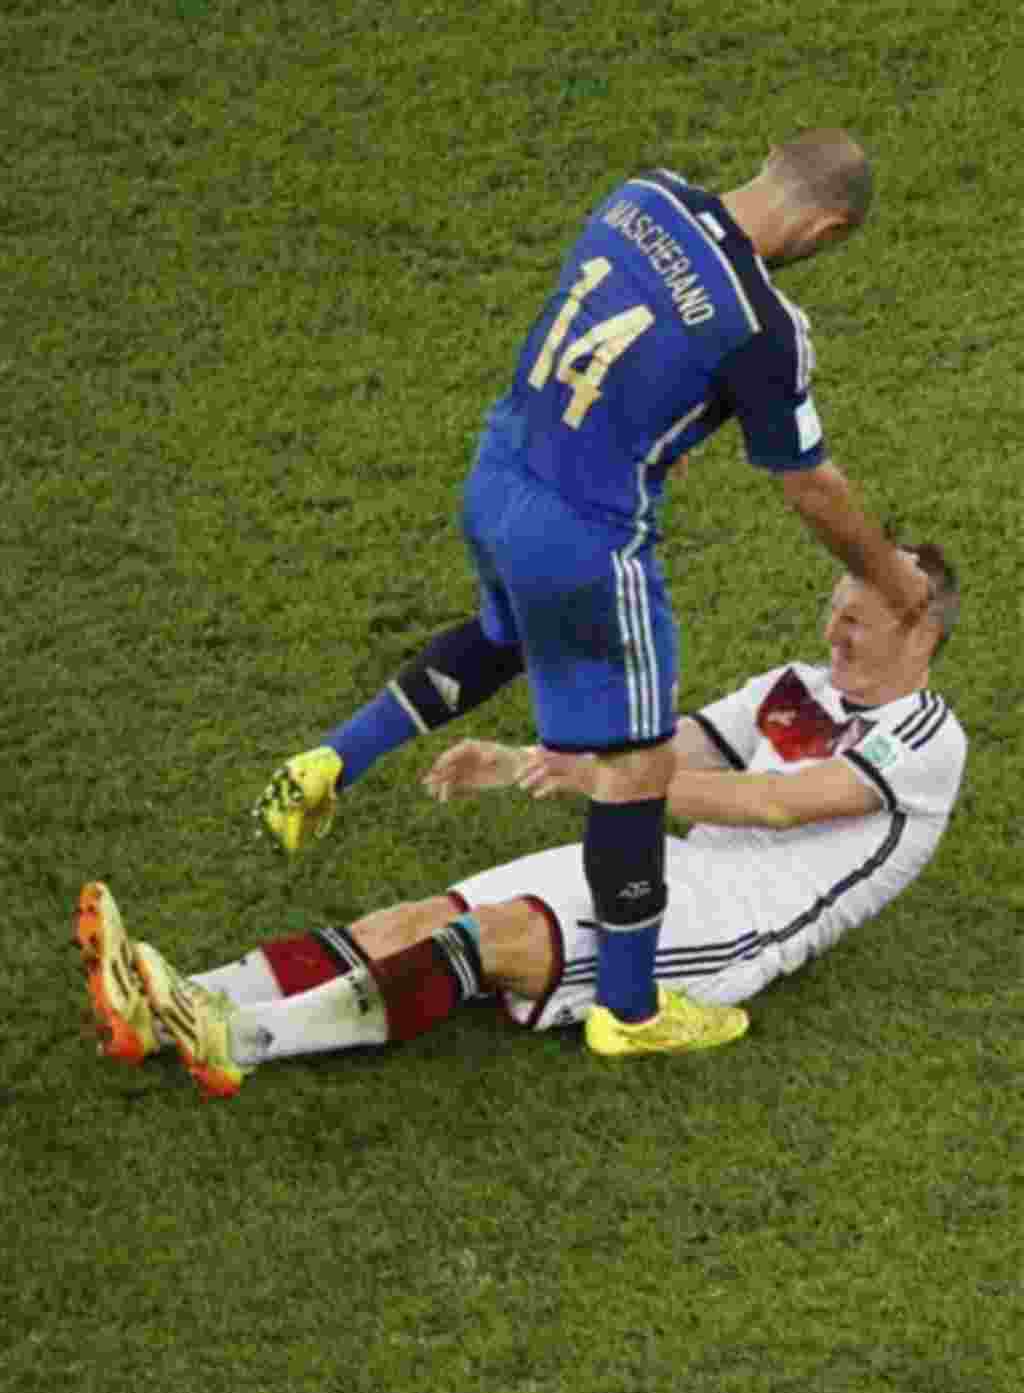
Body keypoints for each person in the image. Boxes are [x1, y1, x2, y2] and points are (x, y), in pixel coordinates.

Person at [254, 129, 930, 1056]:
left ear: (769, 157)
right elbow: (809, 483)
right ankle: (631, 1010)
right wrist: (894, 577)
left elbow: (631, 343)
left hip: (501, 470)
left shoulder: (641, 196)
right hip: (585, 539)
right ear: (826, 228)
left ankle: (328, 760)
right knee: (641, 765)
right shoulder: (763, 327)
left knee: (504, 635)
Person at [77, 547, 964, 1097]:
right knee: (417, 918)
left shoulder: (926, 738)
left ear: (919, 634)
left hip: (736, 926)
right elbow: (673, 747)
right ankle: (167, 1002)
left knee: (495, 937)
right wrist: (516, 761)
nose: (837, 622)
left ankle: (241, 1040)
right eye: (838, 601)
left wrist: (597, 778)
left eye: (861, 612)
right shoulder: (793, 686)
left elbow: (770, 804)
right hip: (657, 858)